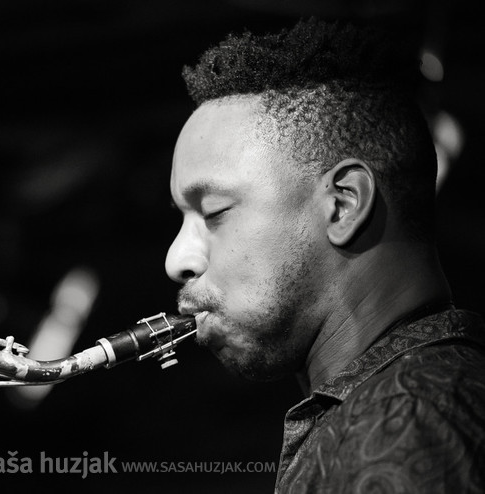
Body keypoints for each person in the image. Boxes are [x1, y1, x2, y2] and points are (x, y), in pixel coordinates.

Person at [165, 17, 485, 492]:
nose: (177, 259)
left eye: (213, 212)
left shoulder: (407, 416)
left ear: (343, 205)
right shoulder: (400, 404)